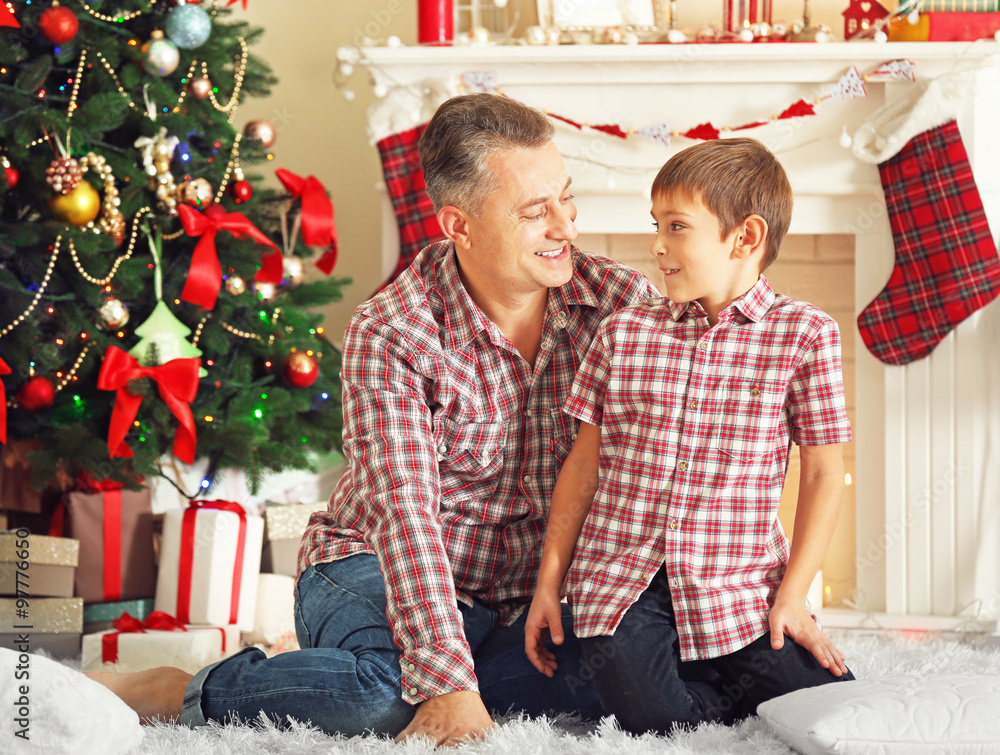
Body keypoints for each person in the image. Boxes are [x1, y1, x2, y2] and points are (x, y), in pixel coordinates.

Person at [89, 93, 659, 745]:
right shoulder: (391, 330)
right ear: (459, 225)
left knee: (625, 672)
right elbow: (406, 513)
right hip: (376, 562)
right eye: (536, 211)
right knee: (387, 700)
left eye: (566, 198)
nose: (566, 226)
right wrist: (444, 682)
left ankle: (416, 672)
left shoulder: (623, 306)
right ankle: (180, 688)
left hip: (523, 592)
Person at [524, 138, 855, 734]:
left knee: (831, 706)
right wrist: (550, 583)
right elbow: (583, 466)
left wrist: (792, 598)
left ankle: (709, 675)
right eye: (656, 225)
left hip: (736, 580)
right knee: (651, 714)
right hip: (623, 577)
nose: (657, 246)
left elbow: (826, 472)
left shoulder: (805, 335)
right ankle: (691, 686)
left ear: (745, 238)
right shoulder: (623, 334)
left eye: (676, 227)